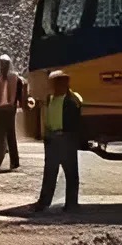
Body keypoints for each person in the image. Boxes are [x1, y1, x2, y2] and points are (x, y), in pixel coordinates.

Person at [32, 69, 83, 213]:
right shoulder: (51, 99)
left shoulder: (73, 100)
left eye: (57, 83)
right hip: (52, 139)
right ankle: (44, 203)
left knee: (71, 173)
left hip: (66, 139)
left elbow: (76, 122)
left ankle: (71, 204)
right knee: (49, 173)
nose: (53, 86)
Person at [0, 55, 27, 170]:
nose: (3, 67)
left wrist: (22, 104)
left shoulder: (15, 79)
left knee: (11, 136)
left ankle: (14, 162)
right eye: (2, 64)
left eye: (5, 64)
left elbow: (20, 93)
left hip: (10, 109)